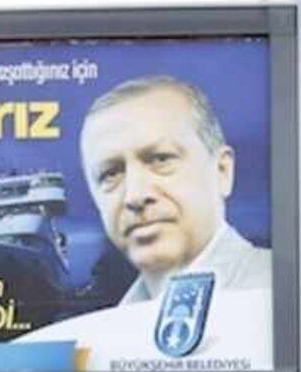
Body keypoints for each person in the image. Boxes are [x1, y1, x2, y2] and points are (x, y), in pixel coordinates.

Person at [79, 75, 270, 305]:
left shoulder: (288, 292)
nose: (135, 196)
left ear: (222, 171)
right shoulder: (101, 333)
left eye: (160, 159)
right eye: (110, 174)